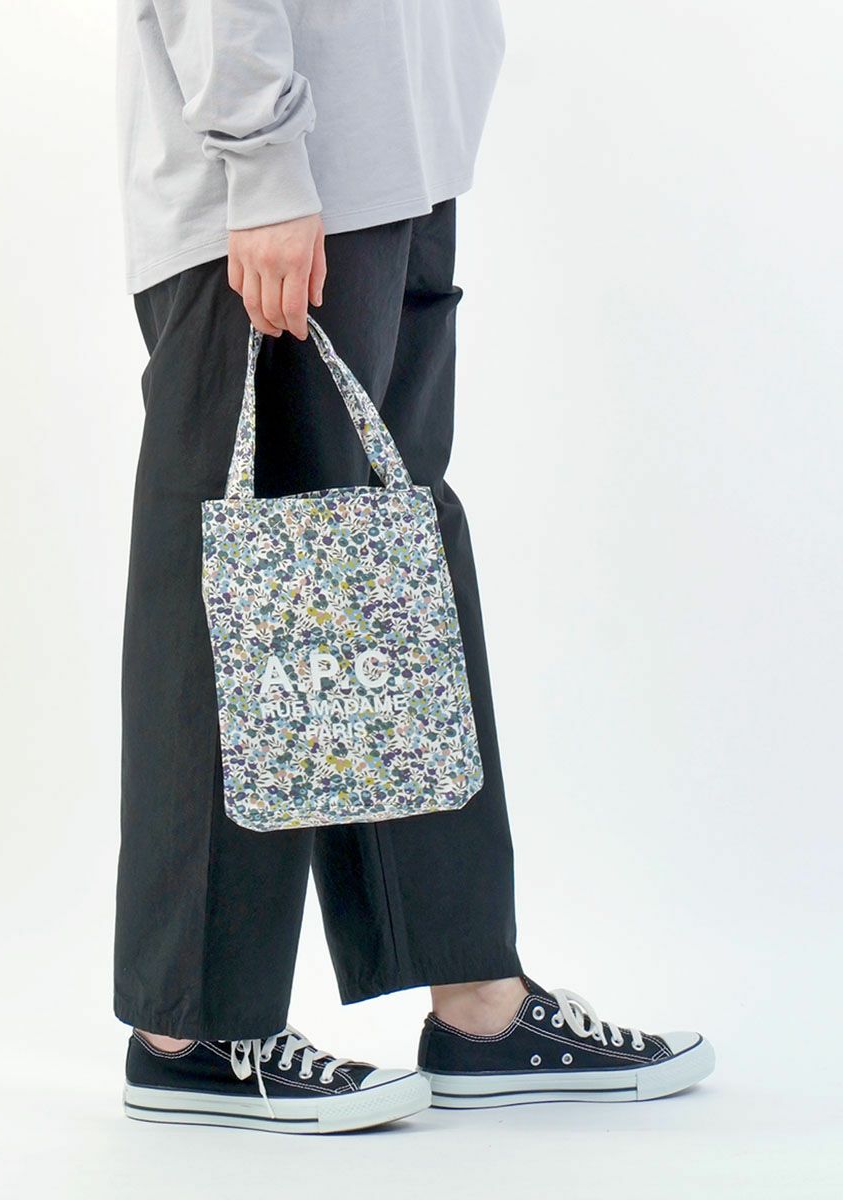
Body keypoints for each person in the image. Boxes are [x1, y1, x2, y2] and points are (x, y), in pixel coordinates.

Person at [112, 1, 715, 1133]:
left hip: (399, 163)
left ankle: (478, 1003)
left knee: (390, 589)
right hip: (280, 189)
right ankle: (191, 1028)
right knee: (244, 592)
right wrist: (264, 158)